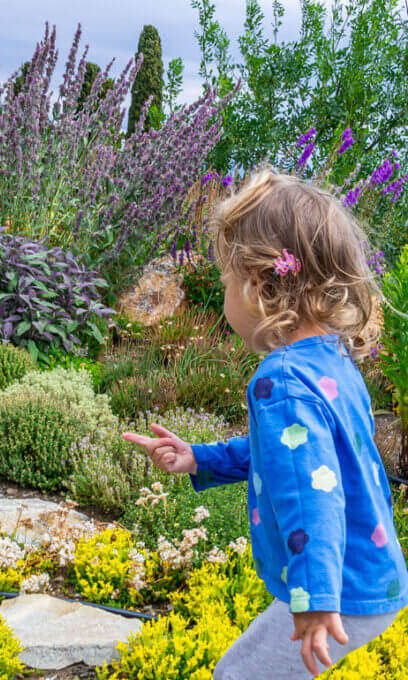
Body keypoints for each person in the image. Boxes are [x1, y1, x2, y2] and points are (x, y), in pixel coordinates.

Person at [122, 170, 408, 679]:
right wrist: (200, 458)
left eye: (226, 282)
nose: (226, 293)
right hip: (368, 577)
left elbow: (312, 495)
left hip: (338, 591)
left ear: (258, 286)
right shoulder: (331, 361)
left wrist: (317, 597)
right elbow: (293, 455)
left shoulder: (280, 380)